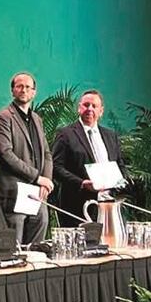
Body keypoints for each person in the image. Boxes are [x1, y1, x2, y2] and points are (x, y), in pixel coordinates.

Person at [0, 71, 53, 245]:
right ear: (12, 91)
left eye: (27, 87)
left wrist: (46, 181)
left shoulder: (37, 119)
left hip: (38, 193)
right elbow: (5, 154)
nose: (23, 90)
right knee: (14, 248)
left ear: (34, 92)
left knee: (37, 247)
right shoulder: (2, 117)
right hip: (14, 193)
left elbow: (47, 153)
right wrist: (37, 177)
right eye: (19, 86)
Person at [52, 89, 126, 226]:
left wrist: (120, 183)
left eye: (94, 106)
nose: (90, 109)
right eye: (86, 105)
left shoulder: (111, 136)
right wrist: (81, 183)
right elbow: (56, 167)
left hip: (109, 205)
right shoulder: (65, 134)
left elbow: (120, 165)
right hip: (77, 205)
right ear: (79, 108)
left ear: (101, 111)